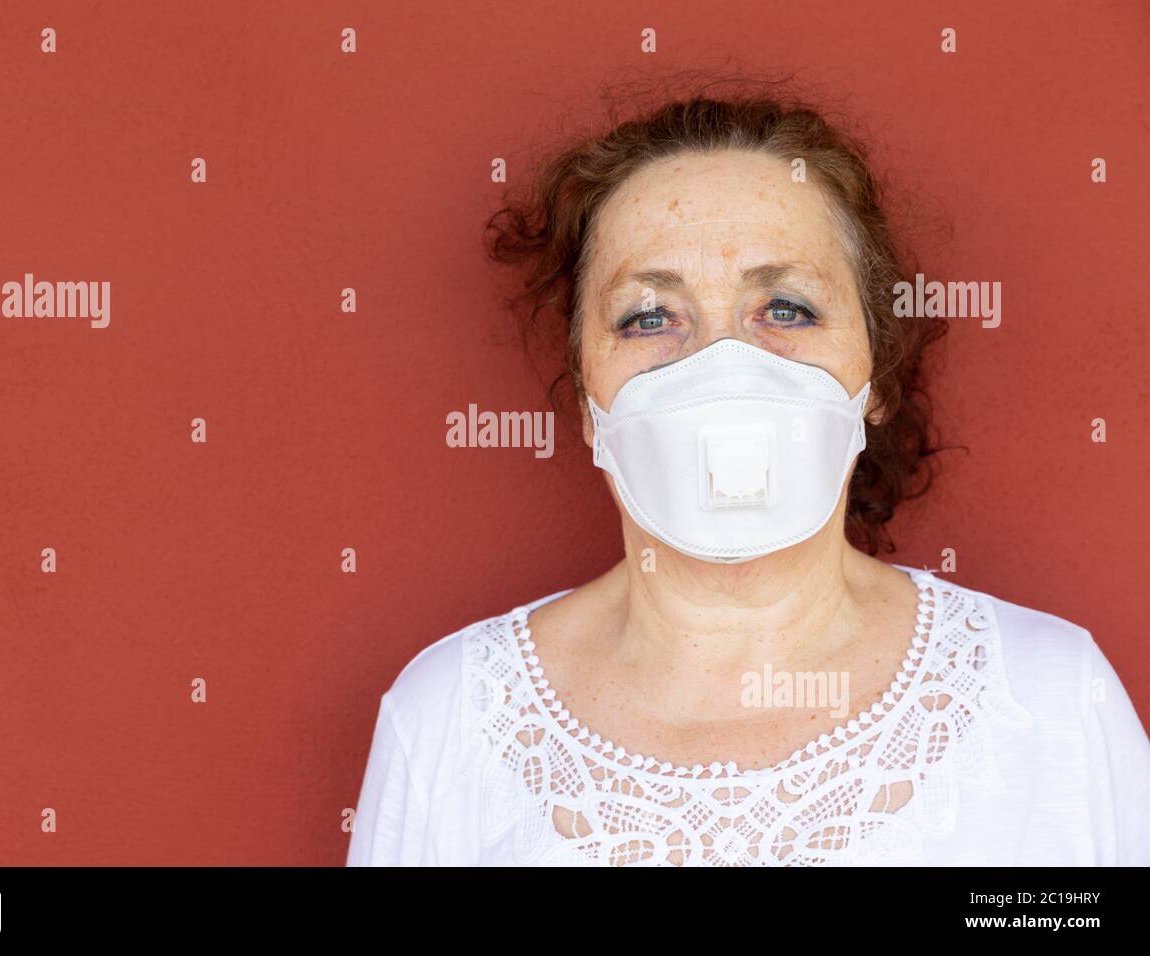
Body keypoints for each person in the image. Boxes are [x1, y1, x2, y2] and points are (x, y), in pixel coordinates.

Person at [346, 92, 1150, 866]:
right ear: (589, 402)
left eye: (787, 308)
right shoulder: (451, 722)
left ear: (875, 379)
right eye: (650, 317)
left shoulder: (1048, 702)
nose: (722, 368)